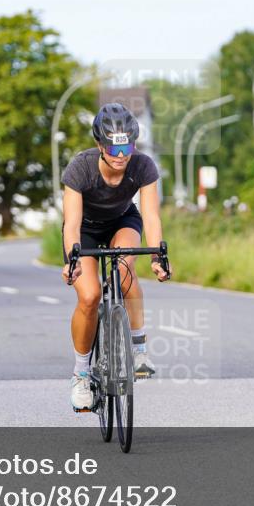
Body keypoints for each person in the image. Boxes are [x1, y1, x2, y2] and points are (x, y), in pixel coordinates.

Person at [61, 102, 170, 412]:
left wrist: (158, 257)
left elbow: (151, 216)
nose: (121, 156)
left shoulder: (143, 166)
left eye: (127, 148)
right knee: (90, 295)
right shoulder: (80, 168)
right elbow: (71, 223)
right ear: (100, 145)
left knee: (124, 272)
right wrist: (71, 260)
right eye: (113, 148)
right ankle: (81, 374)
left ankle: (139, 351)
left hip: (123, 221)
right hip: (85, 229)